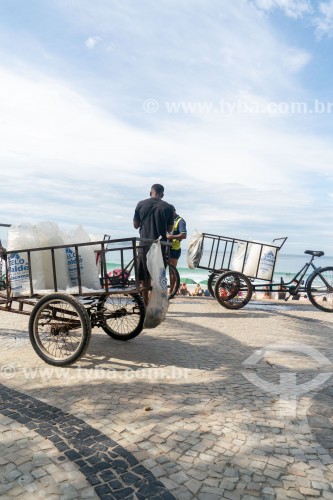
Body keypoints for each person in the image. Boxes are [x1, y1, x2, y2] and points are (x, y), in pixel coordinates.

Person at [133, 184, 174, 304]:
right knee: (157, 276)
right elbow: (170, 229)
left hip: (143, 245)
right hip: (159, 246)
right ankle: (154, 303)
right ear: (162, 194)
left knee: (144, 277)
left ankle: (145, 303)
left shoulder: (141, 204)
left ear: (150, 192)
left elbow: (135, 225)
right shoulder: (169, 207)